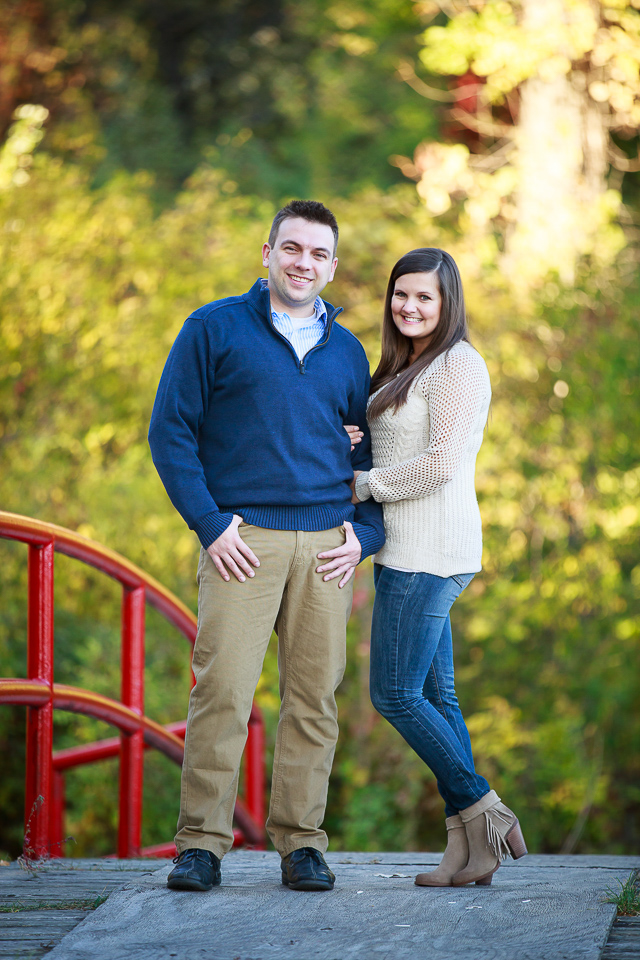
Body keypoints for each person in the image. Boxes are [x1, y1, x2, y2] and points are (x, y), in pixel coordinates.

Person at [148, 200, 384, 893]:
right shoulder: (213, 329)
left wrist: (364, 536)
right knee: (221, 690)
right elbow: (171, 433)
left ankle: (302, 844)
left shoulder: (347, 350)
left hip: (325, 547)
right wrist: (210, 523)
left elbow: (369, 453)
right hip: (241, 540)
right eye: (292, 249)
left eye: (317, 254)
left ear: (332, 266)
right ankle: (200, 845)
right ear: (267, 253)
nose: (302, 263)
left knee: (313, 699)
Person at [351, 248, 527, 887]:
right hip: (410, 548)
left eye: (425, 297)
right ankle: (470, 854)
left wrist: (363, 485)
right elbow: (402, 441)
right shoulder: (410, 364)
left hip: (429, 551)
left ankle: (488, 810)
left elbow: (440, 463)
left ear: (448, 302)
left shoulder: (458, 365)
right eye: (401, 295)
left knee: (394, 694)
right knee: (436, 695)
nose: (410, 306)